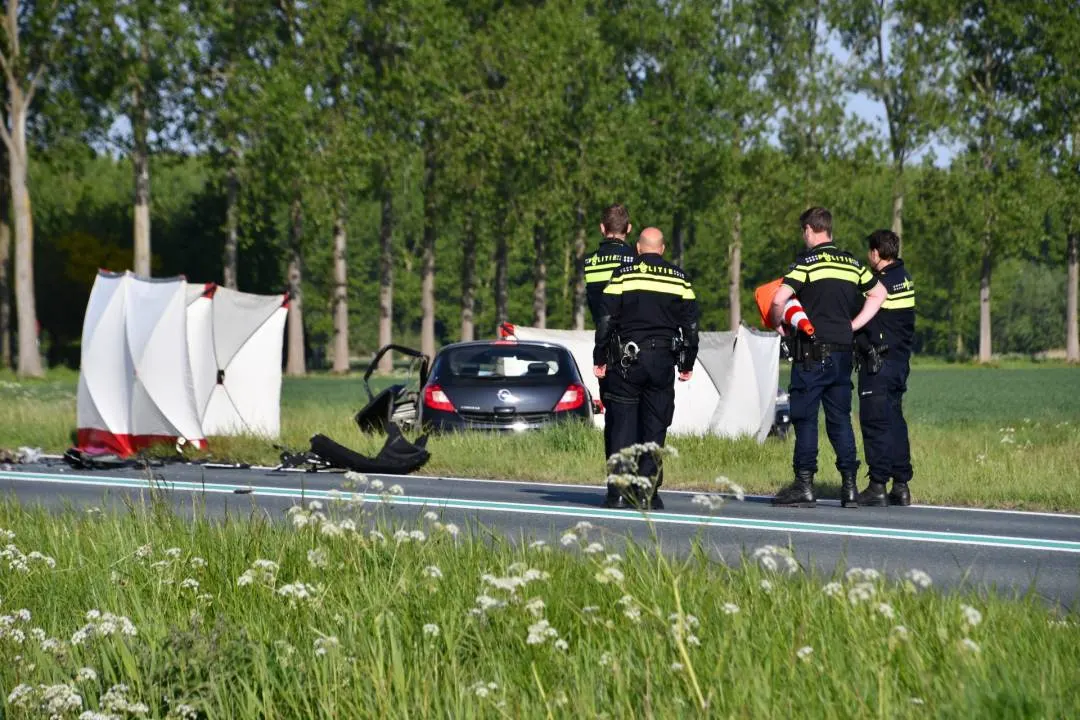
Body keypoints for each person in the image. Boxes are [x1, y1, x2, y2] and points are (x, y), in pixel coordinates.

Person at [770, 207, 886, 508]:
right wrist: (854, 325)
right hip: (843, 354)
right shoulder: (852, 263)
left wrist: (779, 323)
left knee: (805, 419)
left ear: (809, 230)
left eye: (803, 232)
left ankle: (804, 485)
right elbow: (880, 294)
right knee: (840, 420)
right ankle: (849, 487)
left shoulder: (806, 263)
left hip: (811, 353)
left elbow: (779, 299)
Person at [593, 227, 698, 510]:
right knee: (656, 424)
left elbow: (606, 320)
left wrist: (599, 356)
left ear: (638, 248)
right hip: (662, 361)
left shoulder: (623, 275)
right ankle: (647, 492)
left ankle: (617, 493)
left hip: (627, 361)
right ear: (662, 249)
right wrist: (687, 363)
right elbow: (691, 327)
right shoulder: (680, 279)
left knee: (623, 425)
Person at [855, 229, 915, 506]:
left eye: (870, 252)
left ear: (876, 253)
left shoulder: (880, 284)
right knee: (894, 421)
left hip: (878, 363)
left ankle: (877, 484)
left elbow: (863, 315)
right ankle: (901, 485)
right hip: (900, 362)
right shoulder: (904, 278)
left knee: (875, 422)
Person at [583, 204, 637, 460]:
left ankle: (616, 475)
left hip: (606, 346)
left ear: (602, 229)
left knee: (613, 416)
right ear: (629, 229)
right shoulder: (635, 261)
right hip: (635, 345)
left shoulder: (589, 263)